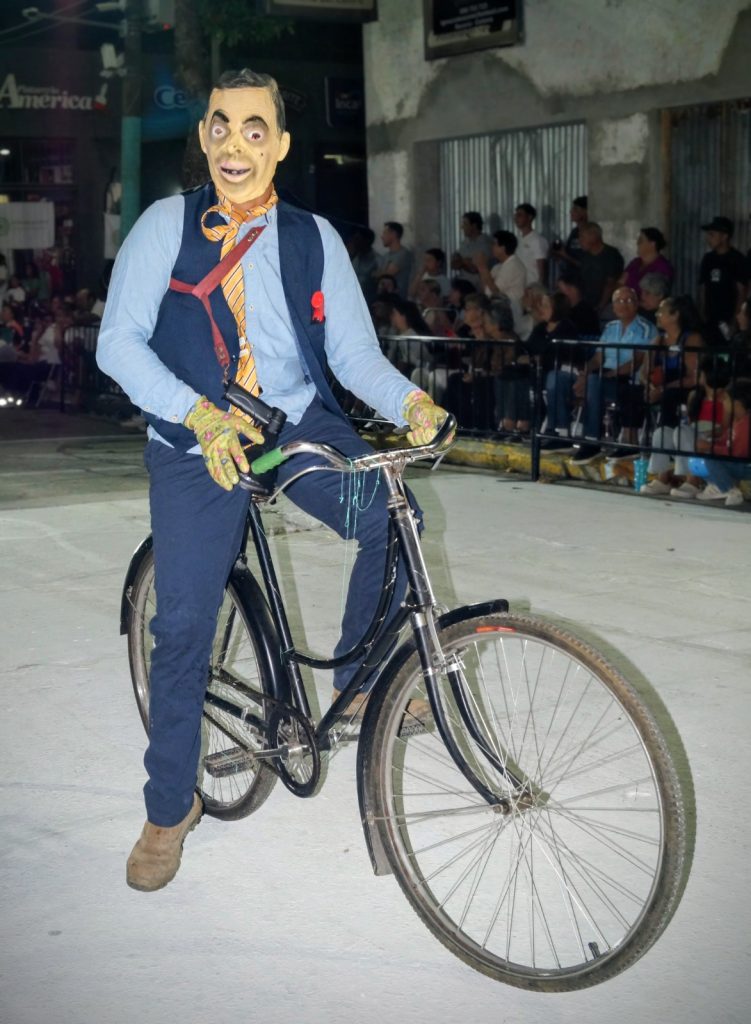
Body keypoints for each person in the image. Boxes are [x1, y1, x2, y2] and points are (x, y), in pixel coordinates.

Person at [96, 68, 449, 893]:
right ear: (204, 137)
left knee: (392, 516)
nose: (234, 144)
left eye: (254, 129)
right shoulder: (165, 225)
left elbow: (353, 355)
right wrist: (196, 414)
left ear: (280, 145)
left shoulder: (311, 238)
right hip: (199, 442)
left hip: (293, 428)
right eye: (220, 126)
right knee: (185, 626)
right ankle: (169, 806)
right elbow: (118, 343)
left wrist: (409, 402)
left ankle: (361, 684)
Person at [573, 286, 658, 460]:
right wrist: (584, 374)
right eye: (618, 301)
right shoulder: (610, 327)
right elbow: (598, 358)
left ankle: (591, 440)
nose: (623, 304)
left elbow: (637, 361)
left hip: (627, 380)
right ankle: (557, 433)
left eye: (628, 300)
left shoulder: (646, 328)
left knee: (594, 383)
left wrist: (608, 375)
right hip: (603, 377)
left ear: (637, 304)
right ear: (612, 306)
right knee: (566, 379)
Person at [639, 297, 706, 497]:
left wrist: (664, 389)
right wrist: (651, 386)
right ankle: (663, 477)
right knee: (662, 430)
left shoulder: (691, 339)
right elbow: (644, 372)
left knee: (670, 404)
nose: (657, 315)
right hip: (666, 396)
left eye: (661, 311)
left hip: (690, 393)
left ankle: (691, 479)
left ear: (675, 315)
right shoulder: (658, 340)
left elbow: (695, 377)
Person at [696, 379, 751, 506]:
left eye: (726, 399)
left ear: (737, 403)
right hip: (735, 463)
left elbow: (738, 453)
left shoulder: (746, 424)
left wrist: (710, 447)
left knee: (710, 459)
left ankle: (730, 489)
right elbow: (725, 442)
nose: (722, 401)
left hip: (744, 466)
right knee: (700, 460)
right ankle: (717, 486)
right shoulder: (736, 421)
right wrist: (711, 443)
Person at [698, 216, 749, 342]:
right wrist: (702, 313)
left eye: (712, 234)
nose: (708, 238)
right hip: (710, 318)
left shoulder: (737, 259)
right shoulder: (708, 259)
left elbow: (741, 292)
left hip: (728, 318)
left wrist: (735, 320)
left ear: (724, 236)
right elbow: (703, 287)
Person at [473, 229, 527, 335]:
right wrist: (481, 268)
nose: (492, 247)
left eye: (494, 244)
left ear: (503, 248)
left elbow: (496, 292)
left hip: (510, 313)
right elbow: (486, 290)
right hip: (496, 311)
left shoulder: (513, 265)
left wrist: (482, 267)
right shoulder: (498, 266)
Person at [577, 223, 625, 317]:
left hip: (607, 307)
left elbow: (610, 284)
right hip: (587, 306)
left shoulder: (611, 255)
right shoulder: (585, 256)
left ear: (593, 236)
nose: (579, 240)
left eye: (582, 237)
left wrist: (600, 306)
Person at [622, 228, 674, 297]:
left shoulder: (663, 267)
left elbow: (656, 295)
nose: (637, 243)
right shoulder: (635, 262)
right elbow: (621, 282)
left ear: (652, 244)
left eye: (641, 241)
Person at [450, 211, 493, 289]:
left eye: (465, 224)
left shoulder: (486, 243)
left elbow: (475, 268)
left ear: (474, 226)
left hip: (478, 287)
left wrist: (462, 262)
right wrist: (465, 262)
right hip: (462, 283)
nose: (462, 227)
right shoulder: (464, 242)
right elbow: (453, 264)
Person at [374, 221, 413, 296]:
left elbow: (387, 275)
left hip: (398, 298)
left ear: (393, 234)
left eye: (385, 233)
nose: (382, 237)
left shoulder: (404, 254)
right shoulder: (385, 256)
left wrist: (377, 274)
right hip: (384, 297)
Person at [513, 203, 548, 285]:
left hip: (532, 286)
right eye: (516, 215)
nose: (516, 218)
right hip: (519, 285)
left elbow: (542, 268)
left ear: (529, 217)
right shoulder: (518, 239)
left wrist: (538, 287)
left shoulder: (537, 240)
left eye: (520, 215)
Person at [550, 196, 588, 268]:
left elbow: (587, 265)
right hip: (569, 273)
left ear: (585, 211)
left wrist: (564, 255)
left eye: (575, 209)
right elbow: (567, 256)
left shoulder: (591, 233)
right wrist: (558, 254)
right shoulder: (574, 232)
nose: (571, 211)